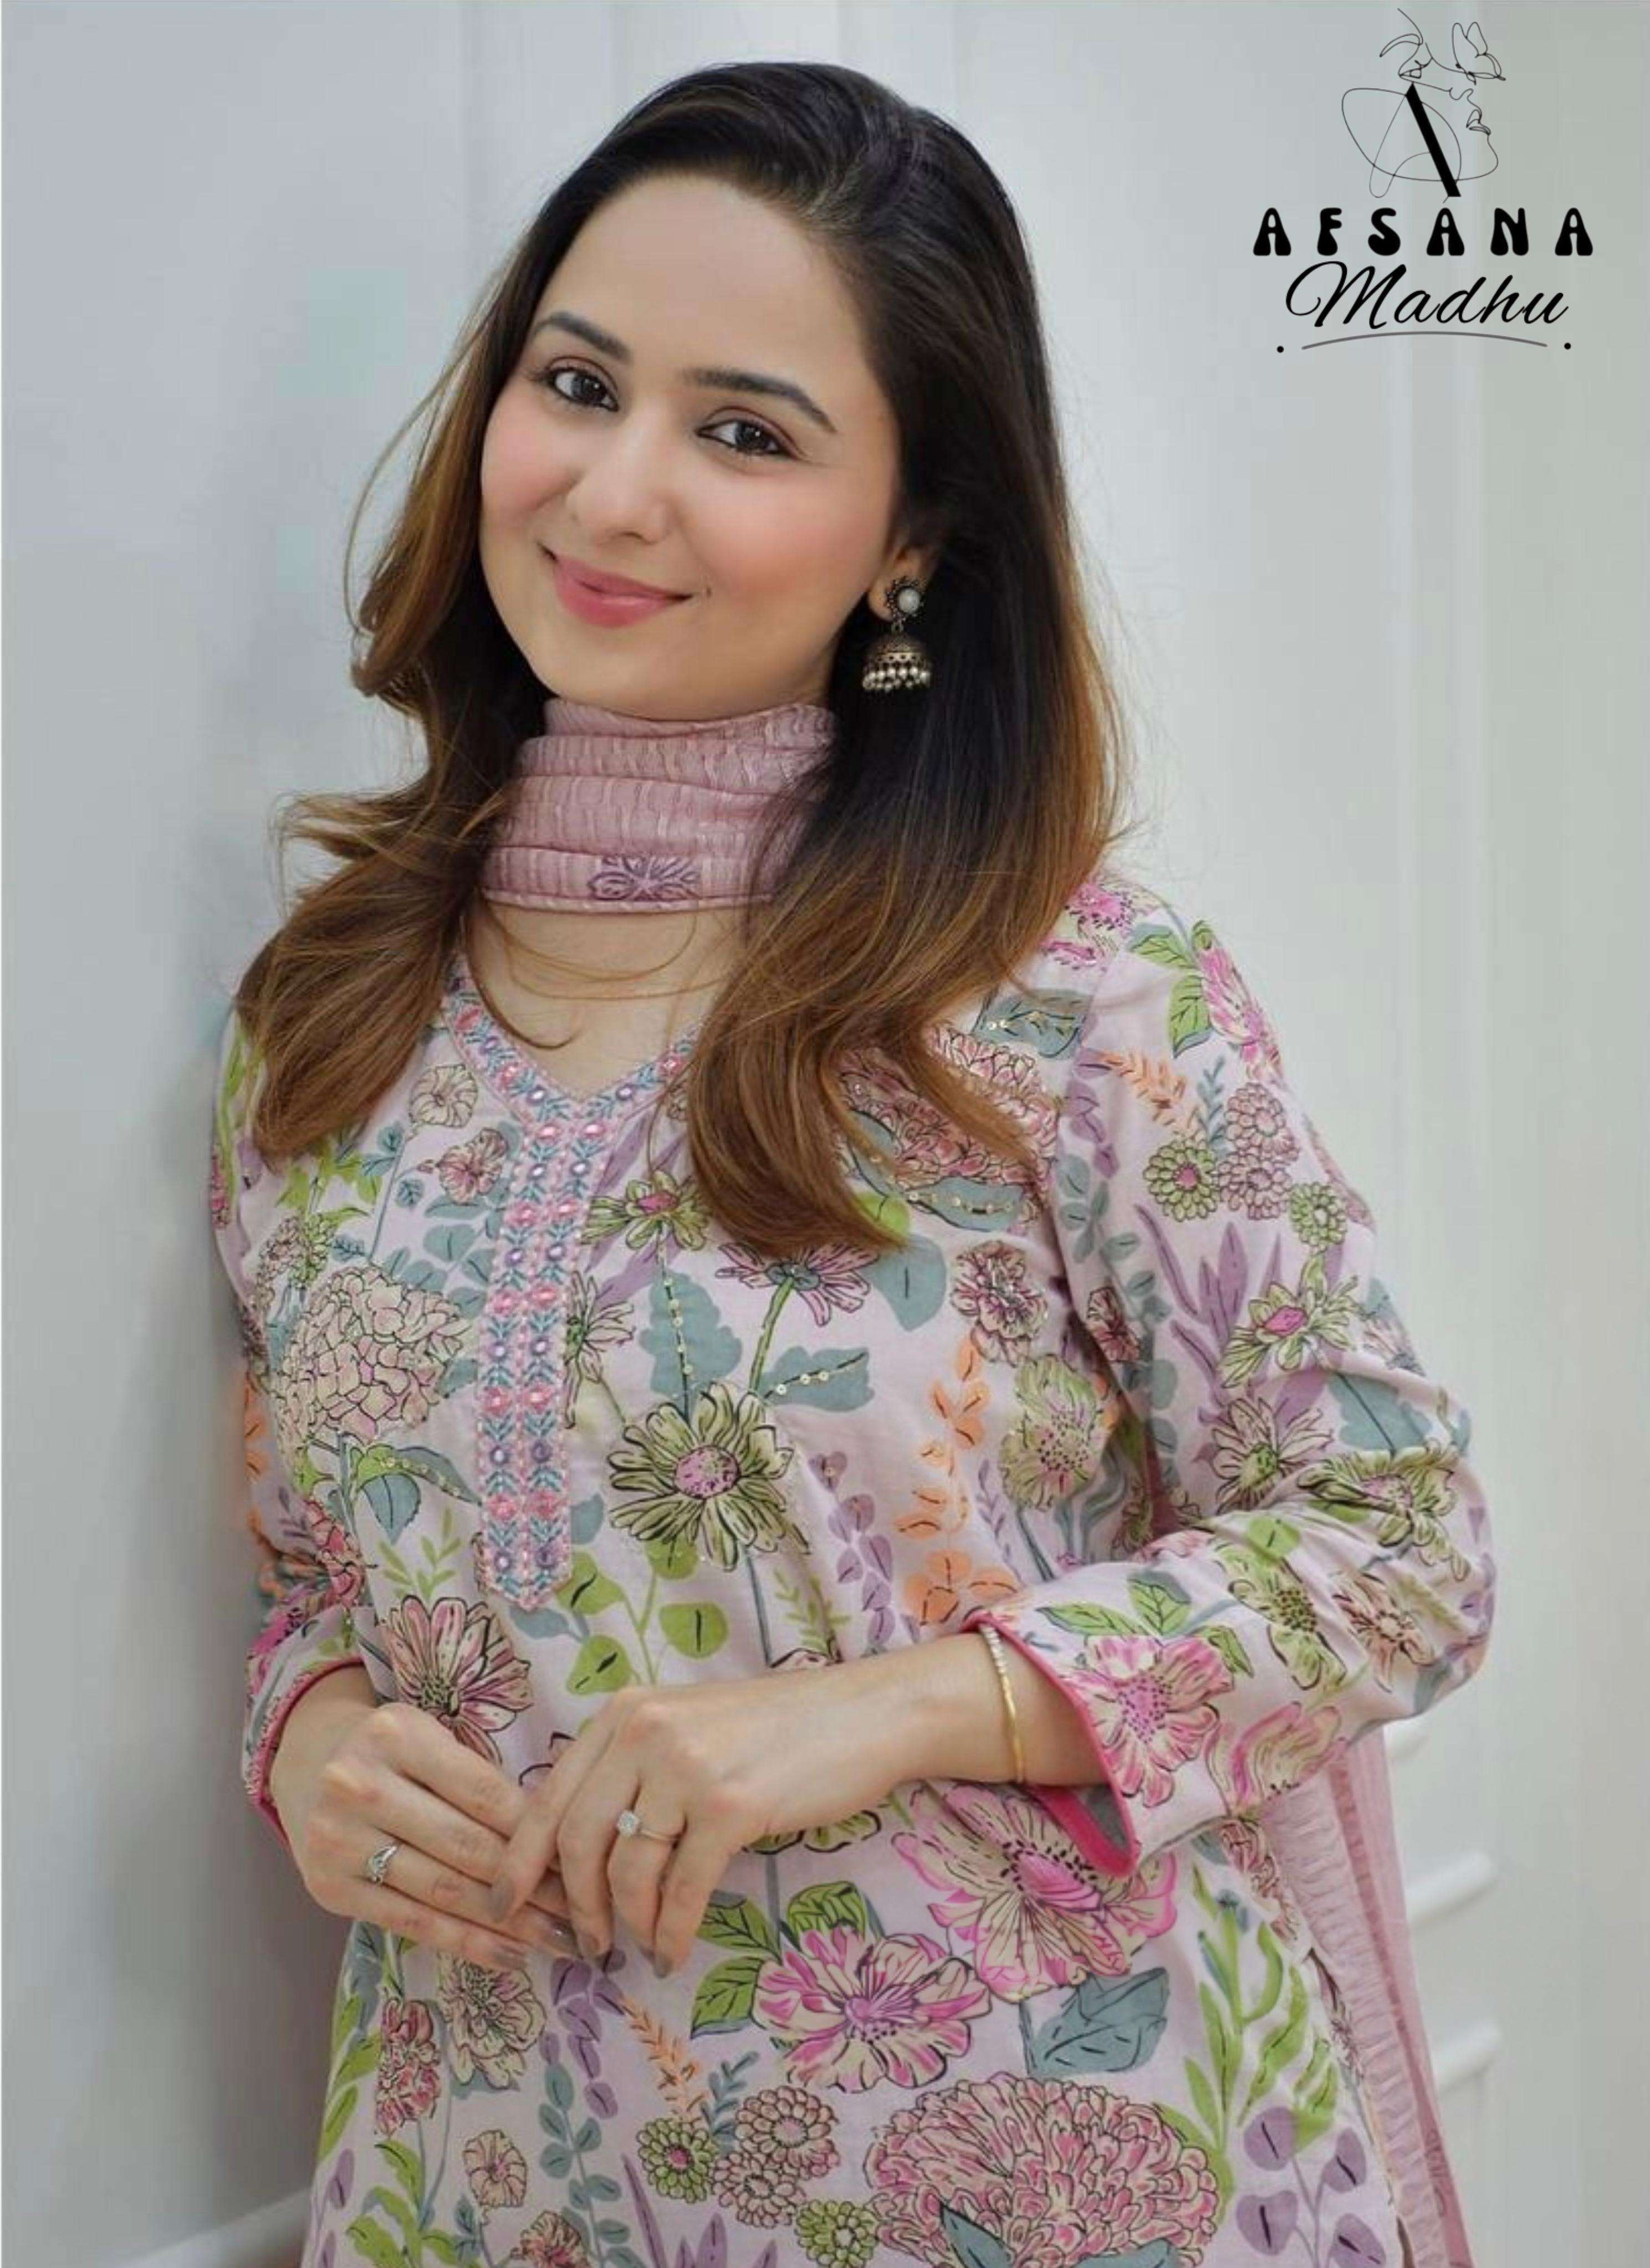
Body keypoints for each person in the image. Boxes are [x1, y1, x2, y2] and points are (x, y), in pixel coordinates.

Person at [207, 62, 1495, 2268]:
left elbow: (1399, 1549)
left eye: (744, 431)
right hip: (495, 2177)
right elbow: (333, 1565)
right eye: (575, 383)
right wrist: (312, 1737)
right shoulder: (324, 1021)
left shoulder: (1065, 995)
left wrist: (874, 1716)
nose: (614, 489)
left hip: (1048, 2179)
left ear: (913, 540)